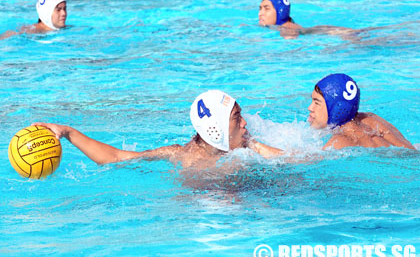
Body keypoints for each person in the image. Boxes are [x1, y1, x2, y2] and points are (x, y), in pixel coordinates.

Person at [33, 90, 284, 170]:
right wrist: (68, 132)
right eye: (237, 118)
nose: (245, 124)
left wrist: (253, 145)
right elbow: (115, 158)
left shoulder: (248, 149)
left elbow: (298, 161)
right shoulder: (179, 154)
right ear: (216, 129)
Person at [307, 73, 416, 150]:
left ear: (337, 108)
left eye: (317, 102)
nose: (310, 108)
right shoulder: (371, 119)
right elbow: (410, 151)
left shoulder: (338, 142)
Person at [258, 0, 356, 40]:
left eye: (266, 8)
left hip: (334, 33)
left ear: (280, 12)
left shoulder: (286, 30)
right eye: (260, 8)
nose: (260, 13)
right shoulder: (285, 26)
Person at [1, 0, 67, 39]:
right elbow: (9, 34)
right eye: (58, 10)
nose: (64, 13)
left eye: (65, 8)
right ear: (47, 12)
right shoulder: (32, 30)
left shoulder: (65, 28)